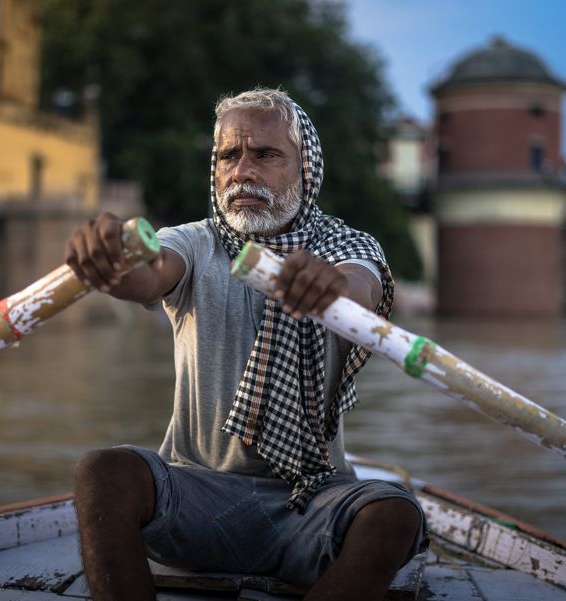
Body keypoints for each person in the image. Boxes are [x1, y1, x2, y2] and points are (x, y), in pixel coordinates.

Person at [65, 87, 426, 601]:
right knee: (102, 473)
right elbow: (147, 273)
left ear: (305, 169)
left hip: (312, 503)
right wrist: (114, 257)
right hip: (198, 498)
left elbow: (360, 290)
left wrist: (328, 288)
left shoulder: (345, 247)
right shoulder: (194, 241)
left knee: (394, 513)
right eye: (229, 156)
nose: (243, 171)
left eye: (266, 155)